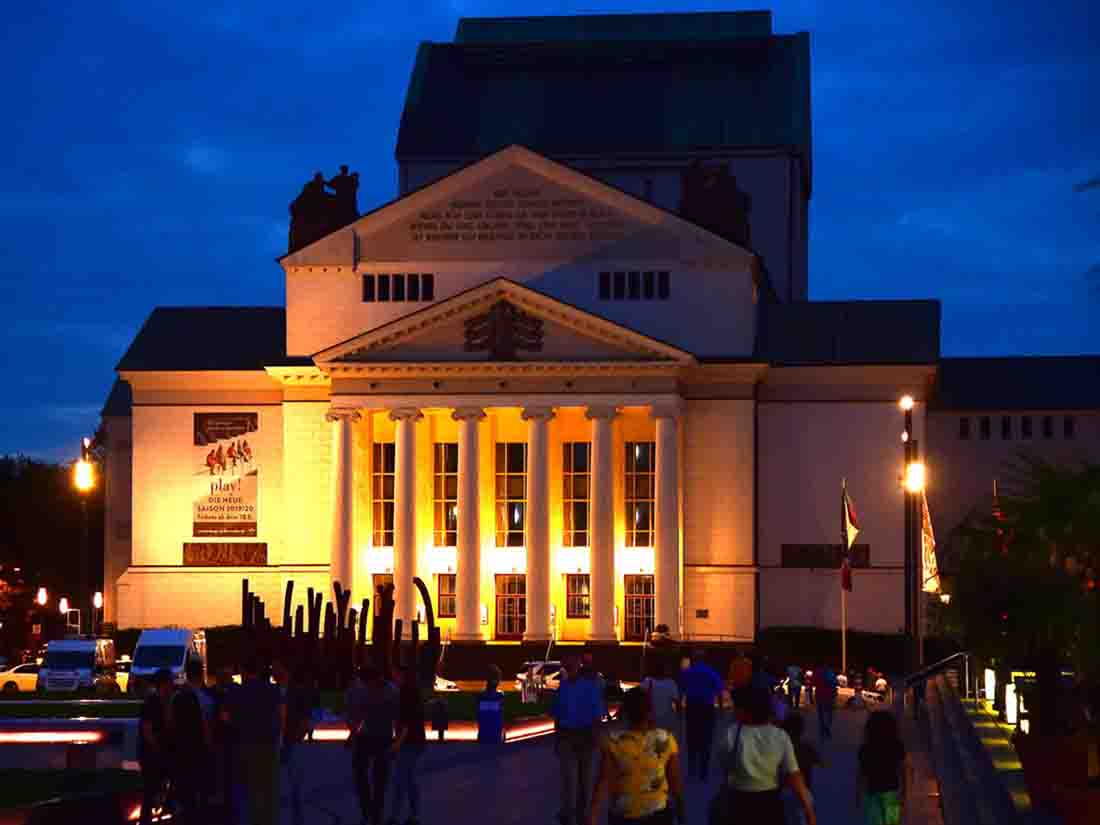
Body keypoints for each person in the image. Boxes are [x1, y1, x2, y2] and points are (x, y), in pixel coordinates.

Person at [712, 687, 816, 825]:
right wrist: (808, 810)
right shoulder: (780, 736)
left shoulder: (731, 734)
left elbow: (724, 769)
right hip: (770, 804)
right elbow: (794, 775)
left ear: (745, 710)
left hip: (737, 803)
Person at [588, 687, 682, 825]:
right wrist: (682, 815)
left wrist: (593, 817)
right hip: (658, 815)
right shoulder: (665, 740)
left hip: (624, 816)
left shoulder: (614, 742)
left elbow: (601, 783)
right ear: (650, 711)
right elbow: (676, 785)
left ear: (625, 712)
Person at [223, 656, 285, 825]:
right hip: (269, 744)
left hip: (245, 745)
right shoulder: (273, 690)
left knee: (248, 791)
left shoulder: (236, 692)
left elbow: (226, 717)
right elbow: (281, 715)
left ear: (243, 671)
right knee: (268, 790)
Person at [551, 655, 605, 825]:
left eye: (568, 667)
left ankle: (573, 811)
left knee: (575, 776)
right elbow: (597, 715)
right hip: (577, 736)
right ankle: (576, 811)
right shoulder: (575, 687)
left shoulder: (573, 687)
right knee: (579, 776)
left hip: (578, 735)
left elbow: (557, 716)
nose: (566, 671)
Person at [346, 663, 399, 825]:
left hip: (380, 737)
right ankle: (370, 811)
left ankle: (374, 814)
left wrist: (397, 740)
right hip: (371, 736)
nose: (367, 685)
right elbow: (359, 713)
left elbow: (396, 716)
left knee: (378, 777)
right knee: (366, 774)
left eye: (368, 682)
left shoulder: (390, 691)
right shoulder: (370, 689)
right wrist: (353, 734)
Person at [171, 659, 212, 825]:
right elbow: (206, 724)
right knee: (199, 789)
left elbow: (171, 722)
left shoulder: (177, 697)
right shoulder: (205, 699)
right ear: (201, 674)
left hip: (182, 749)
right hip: (198, 748)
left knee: (185, 790)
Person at [856, 711, 911, 825]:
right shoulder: (896, 745)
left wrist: (858, 793)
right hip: (891, 792)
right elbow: (903, 769)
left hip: (872, 792)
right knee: (892, 822)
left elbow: (861, 773)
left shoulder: (866, 748)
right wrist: (904, 791)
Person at [679, 649, 726, 781]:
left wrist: (679, 707)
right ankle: (703, 770)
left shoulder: (687, 672)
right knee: (706, 737)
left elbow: (681, 691)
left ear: (693, 660)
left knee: (692, 736)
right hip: (707, 708)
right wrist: (721, 708)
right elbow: (719, 692)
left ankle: (692, 767)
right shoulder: (712, 672)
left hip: (692, 707)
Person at [389, 666, 427, 825]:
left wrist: (397, 742)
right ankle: (413, 815)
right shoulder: (412, 692)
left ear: (402, 676)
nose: (393, 678)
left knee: (401, 779)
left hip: (409, 741)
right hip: (415, 740)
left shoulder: (405, 693)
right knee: (409, 778)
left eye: (396, 675)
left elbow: (406, 721)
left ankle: (397, 816)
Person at [138, 669, 174, 825]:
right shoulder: (153, 702)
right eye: (170, 682)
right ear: (164, 683)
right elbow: (147, 729)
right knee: (151, 792)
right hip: (153, 756)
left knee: (154, 792)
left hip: (155, 754)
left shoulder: (160, 700)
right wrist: (157, 749)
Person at [282, 665, 313, 825]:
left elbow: (305, 719)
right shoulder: (295, 692)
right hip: (291, 739)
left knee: (294, 782)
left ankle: (296, 817)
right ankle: (296, 817)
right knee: (294, 782)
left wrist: (299, 736)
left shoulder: (295, 693)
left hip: (292, 739)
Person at [780, 714, 824, 825]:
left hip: (785, 790)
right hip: (804, 790)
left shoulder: (780, 748)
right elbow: (821, 762)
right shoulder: (806, 748)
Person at [641, 659, 681, 737]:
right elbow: (676, 702)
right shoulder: (671, 683)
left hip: (651, 719)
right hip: (667, 720)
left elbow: (640, 697)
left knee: (651, 744)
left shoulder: (648, 681)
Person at [814, 665, 838, 745]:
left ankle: (823, 727)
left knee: (821, 712)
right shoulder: (831, 673)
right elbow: (834, 684)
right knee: (829, 712)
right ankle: (826, 727)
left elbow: (815, 683)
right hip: (828, 695)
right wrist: (834, 694)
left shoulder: (818, 672)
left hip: (821, 694)